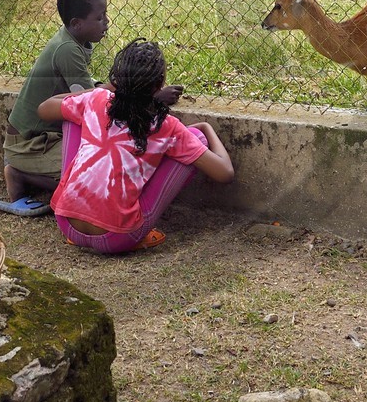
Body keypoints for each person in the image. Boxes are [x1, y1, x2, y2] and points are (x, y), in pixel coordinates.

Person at [38, 38, 233, 253]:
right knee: (195, 138)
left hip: (67, 224)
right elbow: (225, 173)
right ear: (159, 85)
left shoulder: (97, 99)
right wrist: (206, 128)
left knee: (72, 112)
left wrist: (101, 90)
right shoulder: (166, 126)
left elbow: (45, 107)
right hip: (118, 238)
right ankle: (133, 228)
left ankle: (76, 203)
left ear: (118, 78)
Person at [0, 0, 110, 216]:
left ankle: (30, 172)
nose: (106, 22)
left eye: (105, 14)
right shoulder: (67, 49)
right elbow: (93, 103)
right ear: (76, 23)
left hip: (46, 136)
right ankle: (19, 172)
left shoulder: (73, 39)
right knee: (90, 177)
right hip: (27, 144)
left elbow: (87, 91)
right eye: (99, 18)